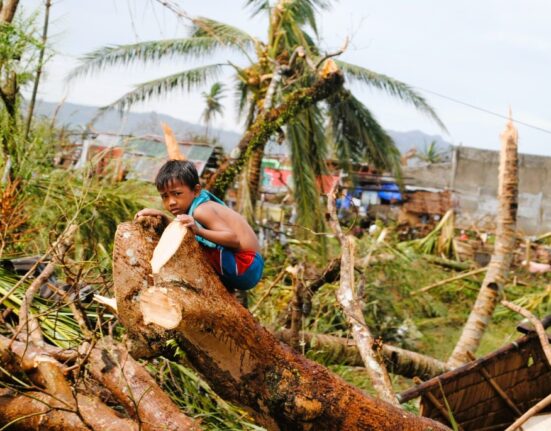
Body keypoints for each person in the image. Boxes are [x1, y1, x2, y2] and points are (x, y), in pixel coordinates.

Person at [135, 160, 264, 291]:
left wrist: (198, 231)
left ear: (196, 190)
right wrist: (160, 216)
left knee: (189, 247)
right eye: (165, 197)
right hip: (244, 266)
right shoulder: (198, 205)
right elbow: (184, 230)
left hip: (246, 265)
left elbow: (233, 239)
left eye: (177, 193)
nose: (171, 202)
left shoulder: (201, 210)